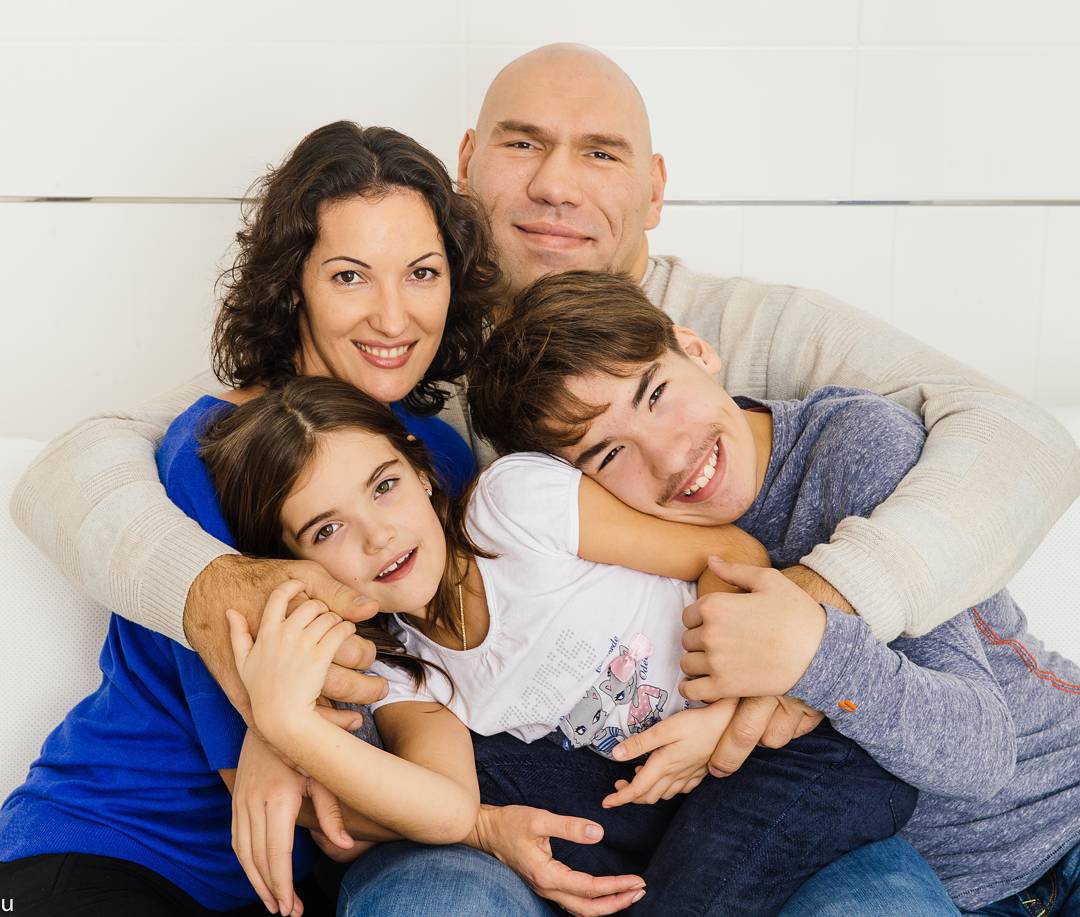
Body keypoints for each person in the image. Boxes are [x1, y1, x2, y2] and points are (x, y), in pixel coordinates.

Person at [9, 42, 1080, 916]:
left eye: (601, 152)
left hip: (924, 790)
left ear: (656, 192)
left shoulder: (715, 333)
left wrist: (804, 625)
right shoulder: (338, 408)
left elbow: (1017, 437)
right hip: (182, 846)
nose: (558, 182)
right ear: (468, 167)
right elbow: (97, 462)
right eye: (524, 143)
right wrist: (232, 631)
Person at [0, 120, 506, 915]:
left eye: (421, 272)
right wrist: (485, 823)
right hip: (114, 848)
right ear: (291, 286)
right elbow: (293, 797)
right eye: (349, 276)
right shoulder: (213, 450)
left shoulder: (438, 452)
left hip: (277, 892)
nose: (393, 316)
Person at [464, 269, 1080, 915]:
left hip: (1060, 822)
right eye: (609, 454)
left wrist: (812, 653)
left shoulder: (852, 451)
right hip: (915, 880)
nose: (669, 456)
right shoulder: (619, 544)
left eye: (656, 395)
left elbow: (982, 753)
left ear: (696, 350)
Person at [198, 374, 916, 917]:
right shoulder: (402, 670)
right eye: (327, 530)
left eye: (383, 487)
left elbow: (731, 554)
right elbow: (449, 810)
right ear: (293, 562)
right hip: (661, 805)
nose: (377, 534)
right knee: (503, 779)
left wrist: (721, 716)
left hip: (789, 750)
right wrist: (286, 725)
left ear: (419, 469)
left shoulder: (512, 508)